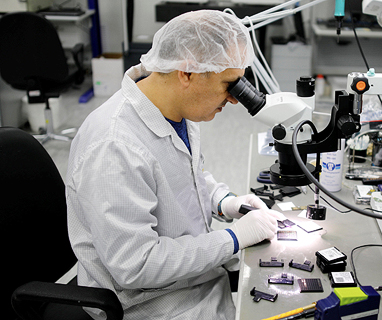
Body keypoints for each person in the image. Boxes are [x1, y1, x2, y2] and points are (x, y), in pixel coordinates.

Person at [66, 10, 283, 320]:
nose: (235, 99)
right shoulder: (114, 147)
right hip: (149, 303)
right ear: (187, 73)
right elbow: (136, 265)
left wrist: (225, 202)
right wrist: (233, 238)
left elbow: (185, 176)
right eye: (229, 85)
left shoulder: (176, 108)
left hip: (193, 276)